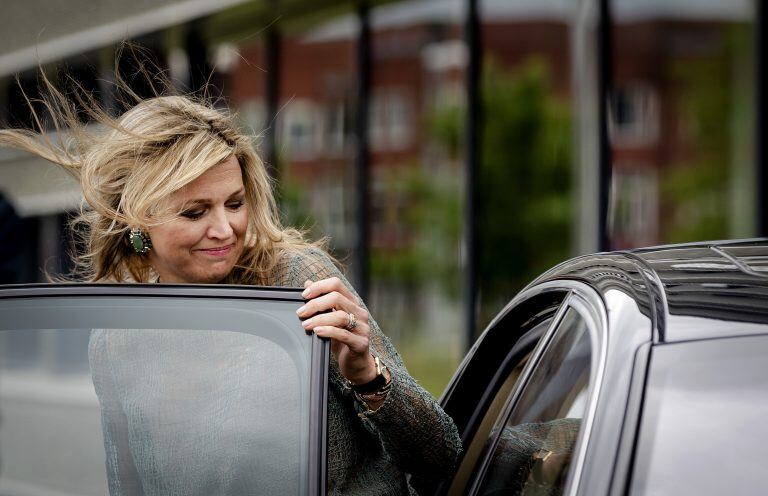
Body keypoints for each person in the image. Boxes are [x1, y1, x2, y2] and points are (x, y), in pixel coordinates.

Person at [0, 71, 461, 494]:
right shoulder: (116, 341)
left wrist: (367, 377)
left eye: (235, 203)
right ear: (137, 223)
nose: (224, 229)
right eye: (195, 212)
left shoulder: (298, 280)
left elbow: (441, 457)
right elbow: (129, 486)